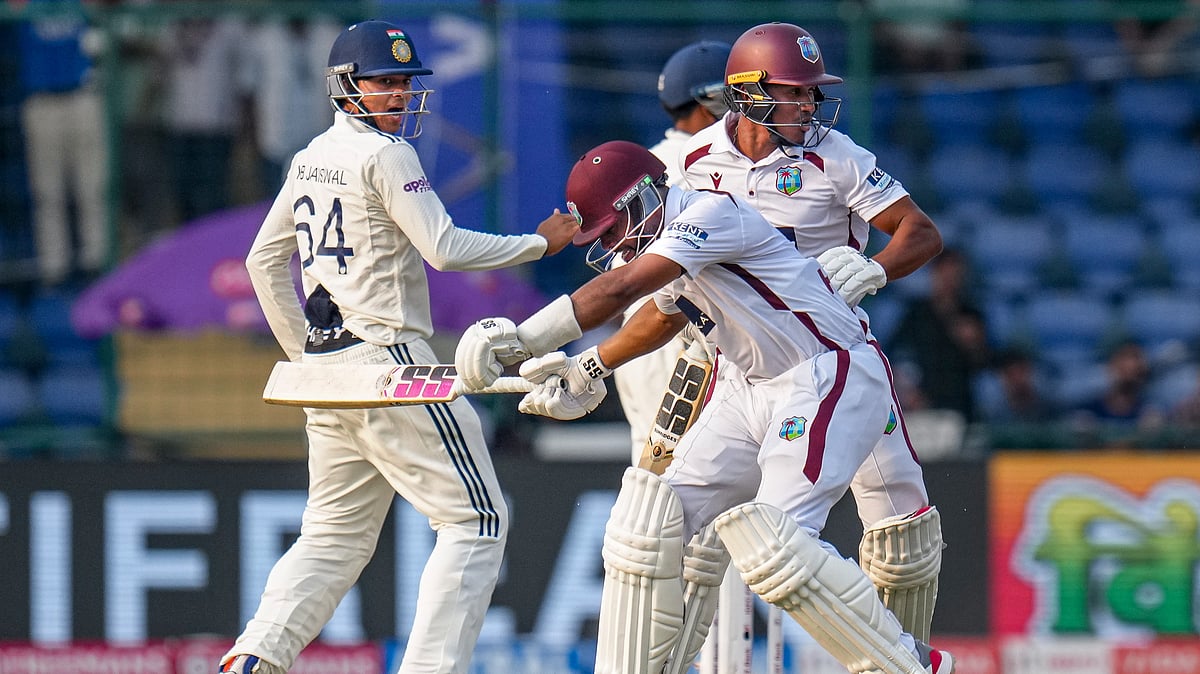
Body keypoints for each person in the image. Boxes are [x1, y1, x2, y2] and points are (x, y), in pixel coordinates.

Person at [454, 140, 954, 674]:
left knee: (775, 547)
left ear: (645, 196)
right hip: (745, 383)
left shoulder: (710, 213)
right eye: (602, 239)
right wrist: (588, 367)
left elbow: (622, 289)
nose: (616, 246)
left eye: (615, 229)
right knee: (646, 524)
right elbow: (661, 317)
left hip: (824, 369)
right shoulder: (666, 248)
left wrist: (522, 341)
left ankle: (909, 666)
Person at [219, 20, 577, 674]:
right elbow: (443, 248)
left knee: (332, 537)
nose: (401, 97)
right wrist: (538, 245)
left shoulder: (309, 158)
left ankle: (253, 657)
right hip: (390, 362)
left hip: (329, 374)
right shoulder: (386, 155)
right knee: (477, 521)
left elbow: (263, 263)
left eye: (407, 84)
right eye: (385, 83)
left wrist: (309, 356)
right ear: (346, 86)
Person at [673, 22, 946, 643]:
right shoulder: (692, 162)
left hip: (835, 359)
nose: (807, 106)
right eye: (792, 93)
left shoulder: (836, 155)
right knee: (675, 529)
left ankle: (899, 660)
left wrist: (874, 268)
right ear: (744, 95)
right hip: (738, 368)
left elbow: (921, 232)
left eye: (811, 93)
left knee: (899, 535)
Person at [614, 39, 730, 460]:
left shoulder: (640, 162)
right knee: (680, 495)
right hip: (680, 340)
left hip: (644, 342)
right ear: (709, 99)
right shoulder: (709, 161)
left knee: (655, 492)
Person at [15, 0, 110, 287]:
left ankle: (98, 262)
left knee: (92, 188)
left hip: (83, 96)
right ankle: (53, 270)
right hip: (41, 100)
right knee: (47, 193)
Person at [888, 248, 991, 420]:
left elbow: (984, 363)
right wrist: (909, 391)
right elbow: (895, 354)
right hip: (921, 402)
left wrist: (973, 345)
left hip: (961, 402)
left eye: (956, 274)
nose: (950, 280)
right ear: (934, 274)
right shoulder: (917, 313)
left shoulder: (971, 314)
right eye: (945, 273)